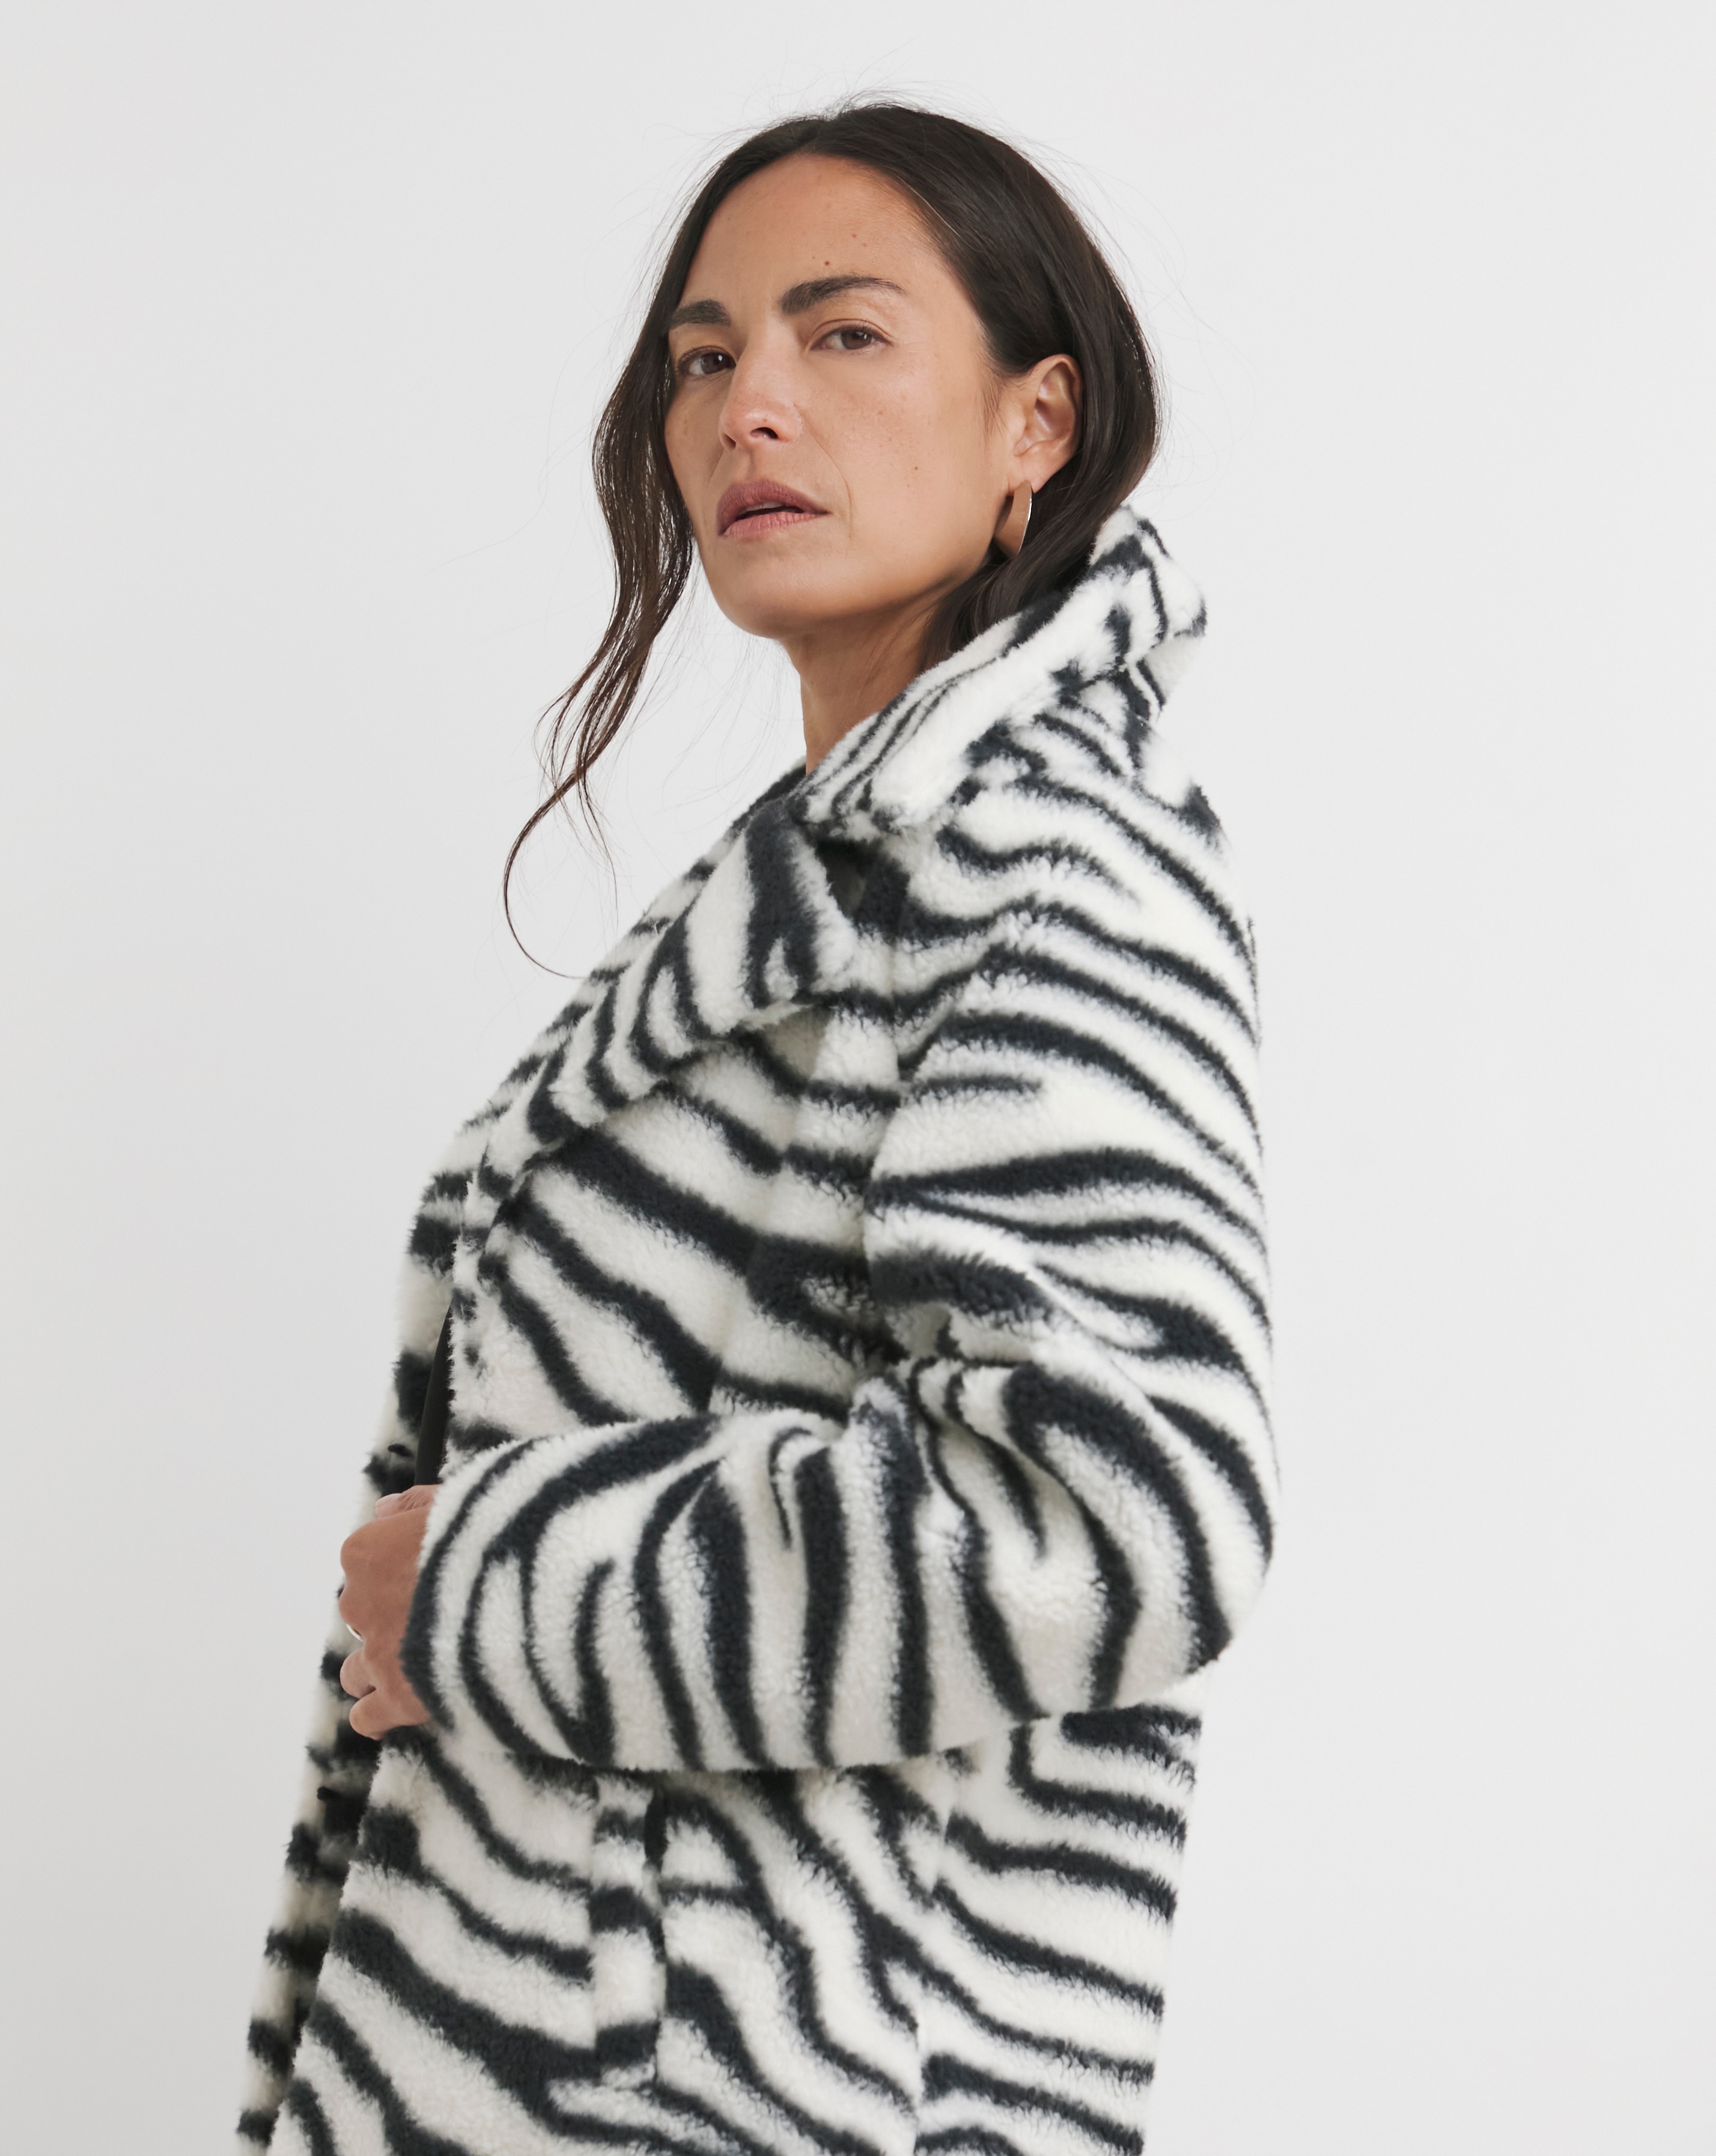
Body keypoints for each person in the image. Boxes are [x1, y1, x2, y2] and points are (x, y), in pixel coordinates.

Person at [240, 100, 1276, 2156]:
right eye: (705, 356)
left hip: (752, 2085)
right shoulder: (825, 880)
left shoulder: (1051, 865)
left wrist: (494, 1579)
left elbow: (1119, 1523)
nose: (749, 407)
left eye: (844, 334)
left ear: (1037, 423)